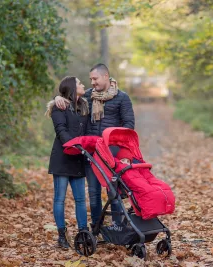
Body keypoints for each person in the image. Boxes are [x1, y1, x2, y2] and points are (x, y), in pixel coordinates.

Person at [55, 63, 135, 227]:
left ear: (106, 76)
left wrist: (121, 148)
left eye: (95, 78)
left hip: (112, 151)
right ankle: (97, 227)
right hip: (91, 152)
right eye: (90, 79)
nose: (92, 82)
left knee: (114, 192)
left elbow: (129, 125)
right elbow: (70, 102)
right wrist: (57, 98)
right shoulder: (88, 96)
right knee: (93, 193)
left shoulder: (122, 97)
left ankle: (117, 226)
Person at [46, 76, 90, 249]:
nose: (83, 85)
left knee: (80, 199)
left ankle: (83, 233)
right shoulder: (59, 107)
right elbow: (61, 130)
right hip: (63, 158)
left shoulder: (83, 106)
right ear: (72, 87)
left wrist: (82, 148)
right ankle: (62, 235)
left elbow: (101, 90)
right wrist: (75, 145)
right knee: (60, 199)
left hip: (78, 158)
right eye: (79, 83)